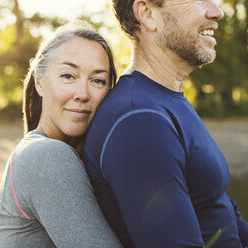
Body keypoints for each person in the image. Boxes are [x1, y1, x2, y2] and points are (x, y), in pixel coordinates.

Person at [84, 0, 248, 247]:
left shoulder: (165, 100)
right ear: (148, 14)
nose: (217, 11)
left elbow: (221, 213)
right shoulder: (139, 120)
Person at [0, 22, 122, 248]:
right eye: (68, 75)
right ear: (39, 82)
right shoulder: (46, 156)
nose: (82, 94)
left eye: (98, 80)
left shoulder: (45, 152)